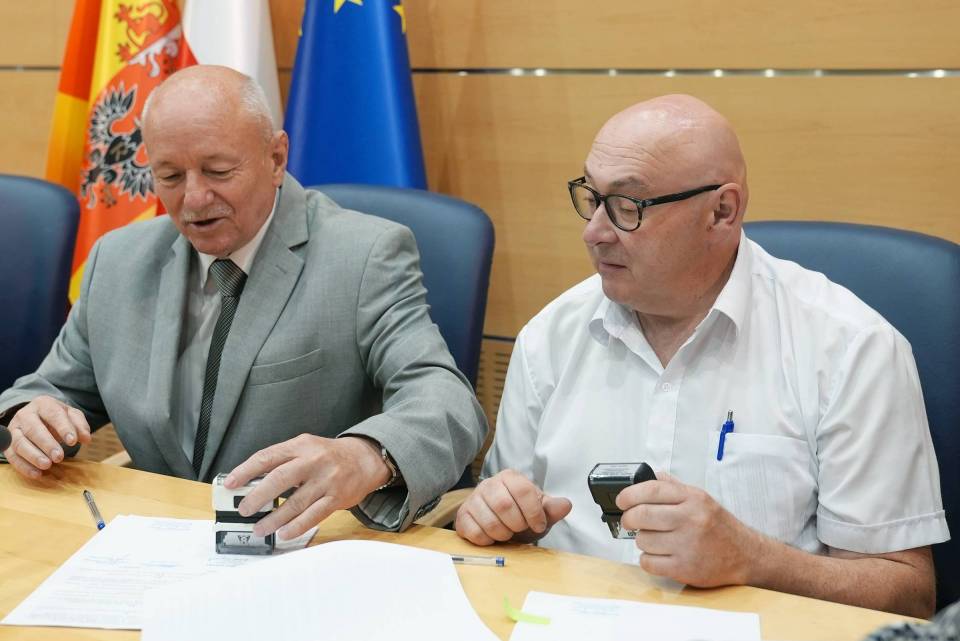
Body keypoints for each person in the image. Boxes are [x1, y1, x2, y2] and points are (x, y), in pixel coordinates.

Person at [455, 94, 948, 617]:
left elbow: (908, 594)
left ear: (721, 211)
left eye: (628, 206)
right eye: (592, 197)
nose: (593, 231)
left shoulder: (850, 348)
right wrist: (498, 517)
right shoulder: (548, 337)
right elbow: (506, 527)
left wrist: (753, 559)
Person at [0, 65, 487, 539]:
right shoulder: (119, 260)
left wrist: (367, 455)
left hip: (301, 547)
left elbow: (447, 402)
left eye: (218, 171)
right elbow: (53, 390)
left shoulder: (364, 257)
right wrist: (30, 417)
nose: (194, 198)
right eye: (170, 176)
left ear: (276, 158)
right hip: (153, 541)